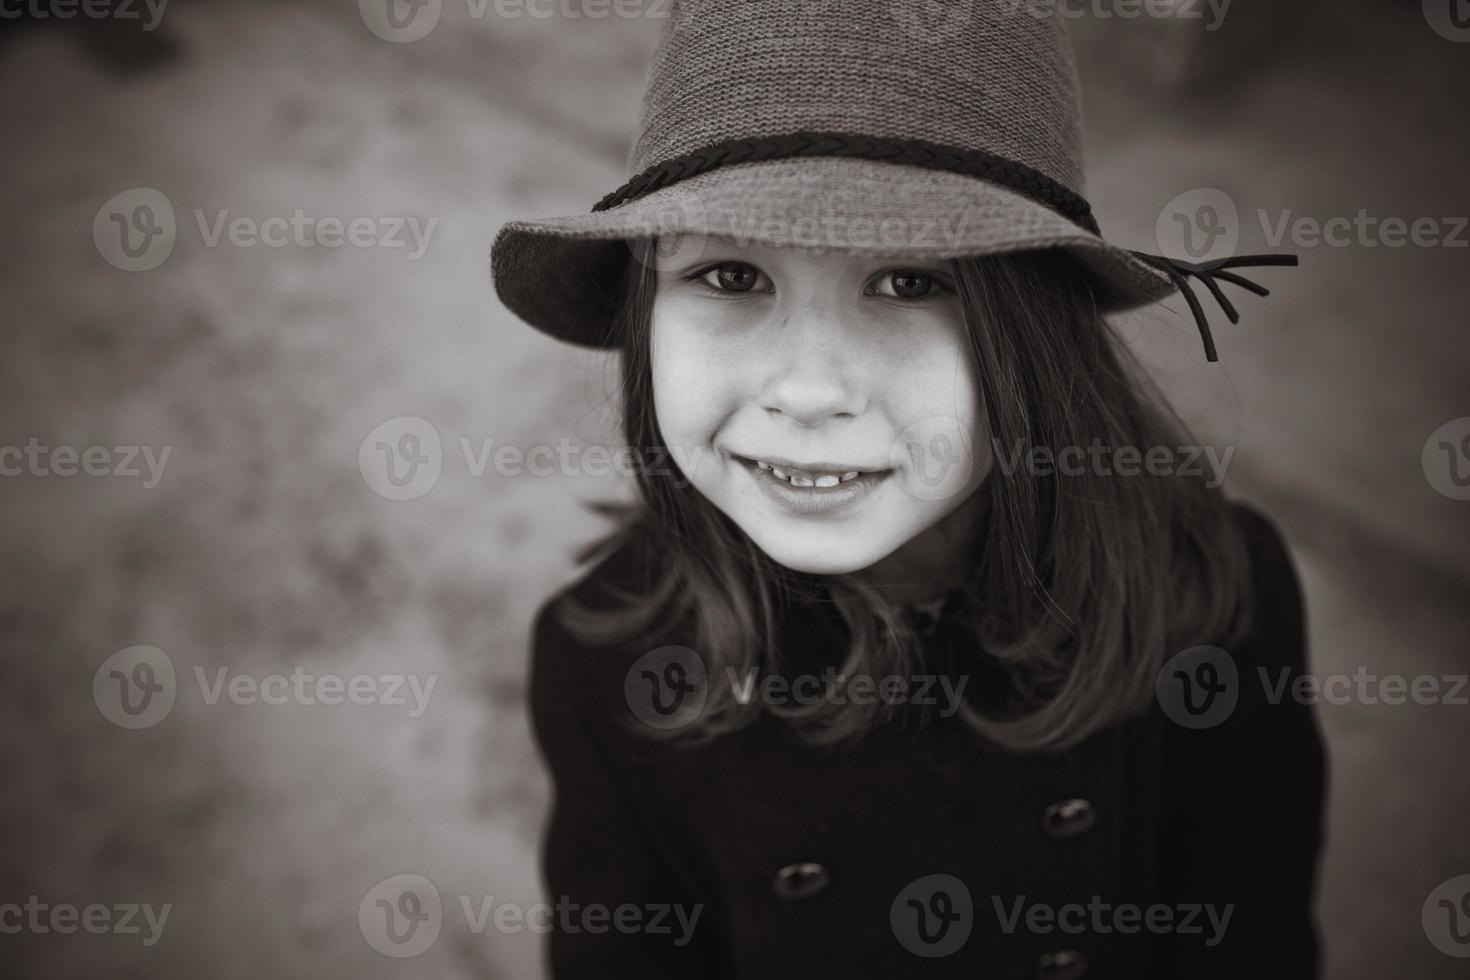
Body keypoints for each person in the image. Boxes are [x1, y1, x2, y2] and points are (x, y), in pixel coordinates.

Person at [490, 1, 1327, 976]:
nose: (807, 391)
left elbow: (1251, 940)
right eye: (729, 274)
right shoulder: (608, 665)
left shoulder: (1212, 593)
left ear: (1034, 331)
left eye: (909, 283)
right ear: (645, 306)